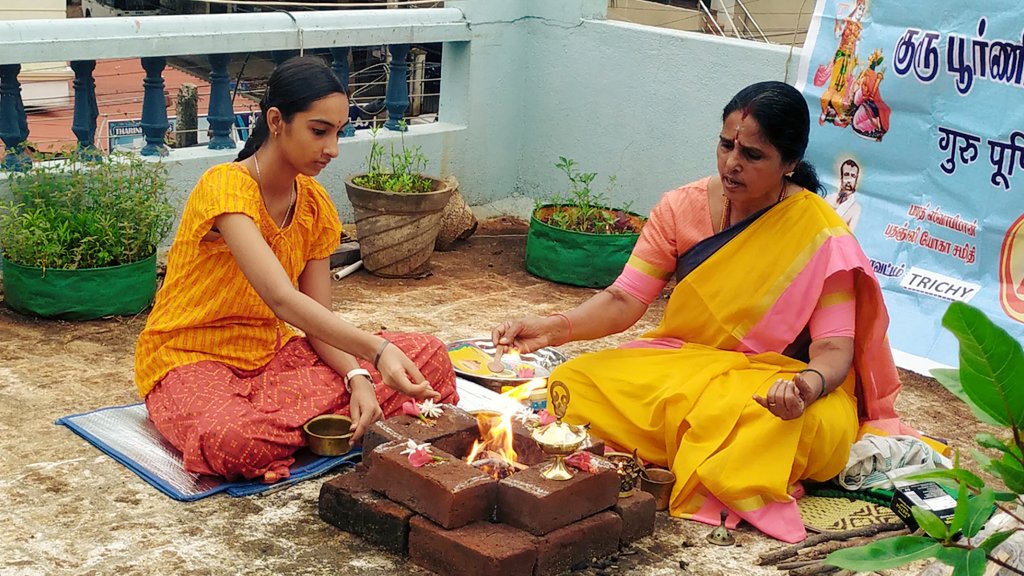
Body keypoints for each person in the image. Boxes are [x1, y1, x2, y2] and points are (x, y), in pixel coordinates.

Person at [492, 81, 910, 543]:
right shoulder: (681, 207)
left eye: (753, 155)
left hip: (776, 386)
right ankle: (708, 455)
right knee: (574, 383)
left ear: (789, 164)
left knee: (791, 426)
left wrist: (804, 390)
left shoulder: (820, 234)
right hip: (686, 366)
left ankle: (708, 455)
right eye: (726, 145)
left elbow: (833, 349)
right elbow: (624, 299)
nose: (732, 163)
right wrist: (552, 329)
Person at [135, 56, 458, 483]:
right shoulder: (225, 186)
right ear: (276, 121)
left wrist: (358, 374)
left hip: (275, 355)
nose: (332, 149)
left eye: (339, 133)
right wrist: (377, 353)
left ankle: (293, 428)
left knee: (430, 355)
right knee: (231, 437)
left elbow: (315, 318)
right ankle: (306, 427)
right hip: (193, 358)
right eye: (319, 131)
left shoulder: (314, 204)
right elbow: (282, 299)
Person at [825, 158, 862, 230]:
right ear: (841, 177)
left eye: (853, 176)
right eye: (846, 174)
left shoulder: (855, 208)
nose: (849, 180)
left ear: (856, 180)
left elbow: (849, 235)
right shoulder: (828, 199)